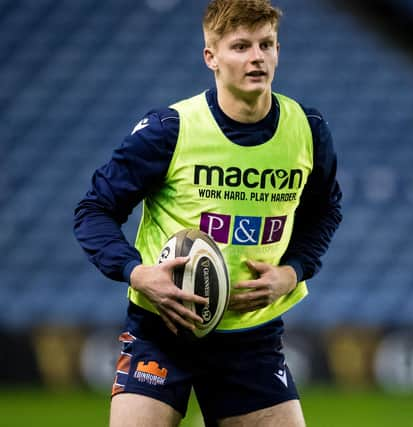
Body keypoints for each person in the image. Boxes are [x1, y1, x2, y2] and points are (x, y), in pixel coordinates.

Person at [74, 1, 342, 425]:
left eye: (266, 44)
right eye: (240, 46)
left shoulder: (307, 129)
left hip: (251, 338)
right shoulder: (169, 129)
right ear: (211, 57)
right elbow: (94, 210)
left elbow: (325, 211)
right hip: (162, 332)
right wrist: (137, 272)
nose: (257, 57)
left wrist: (292, 272)